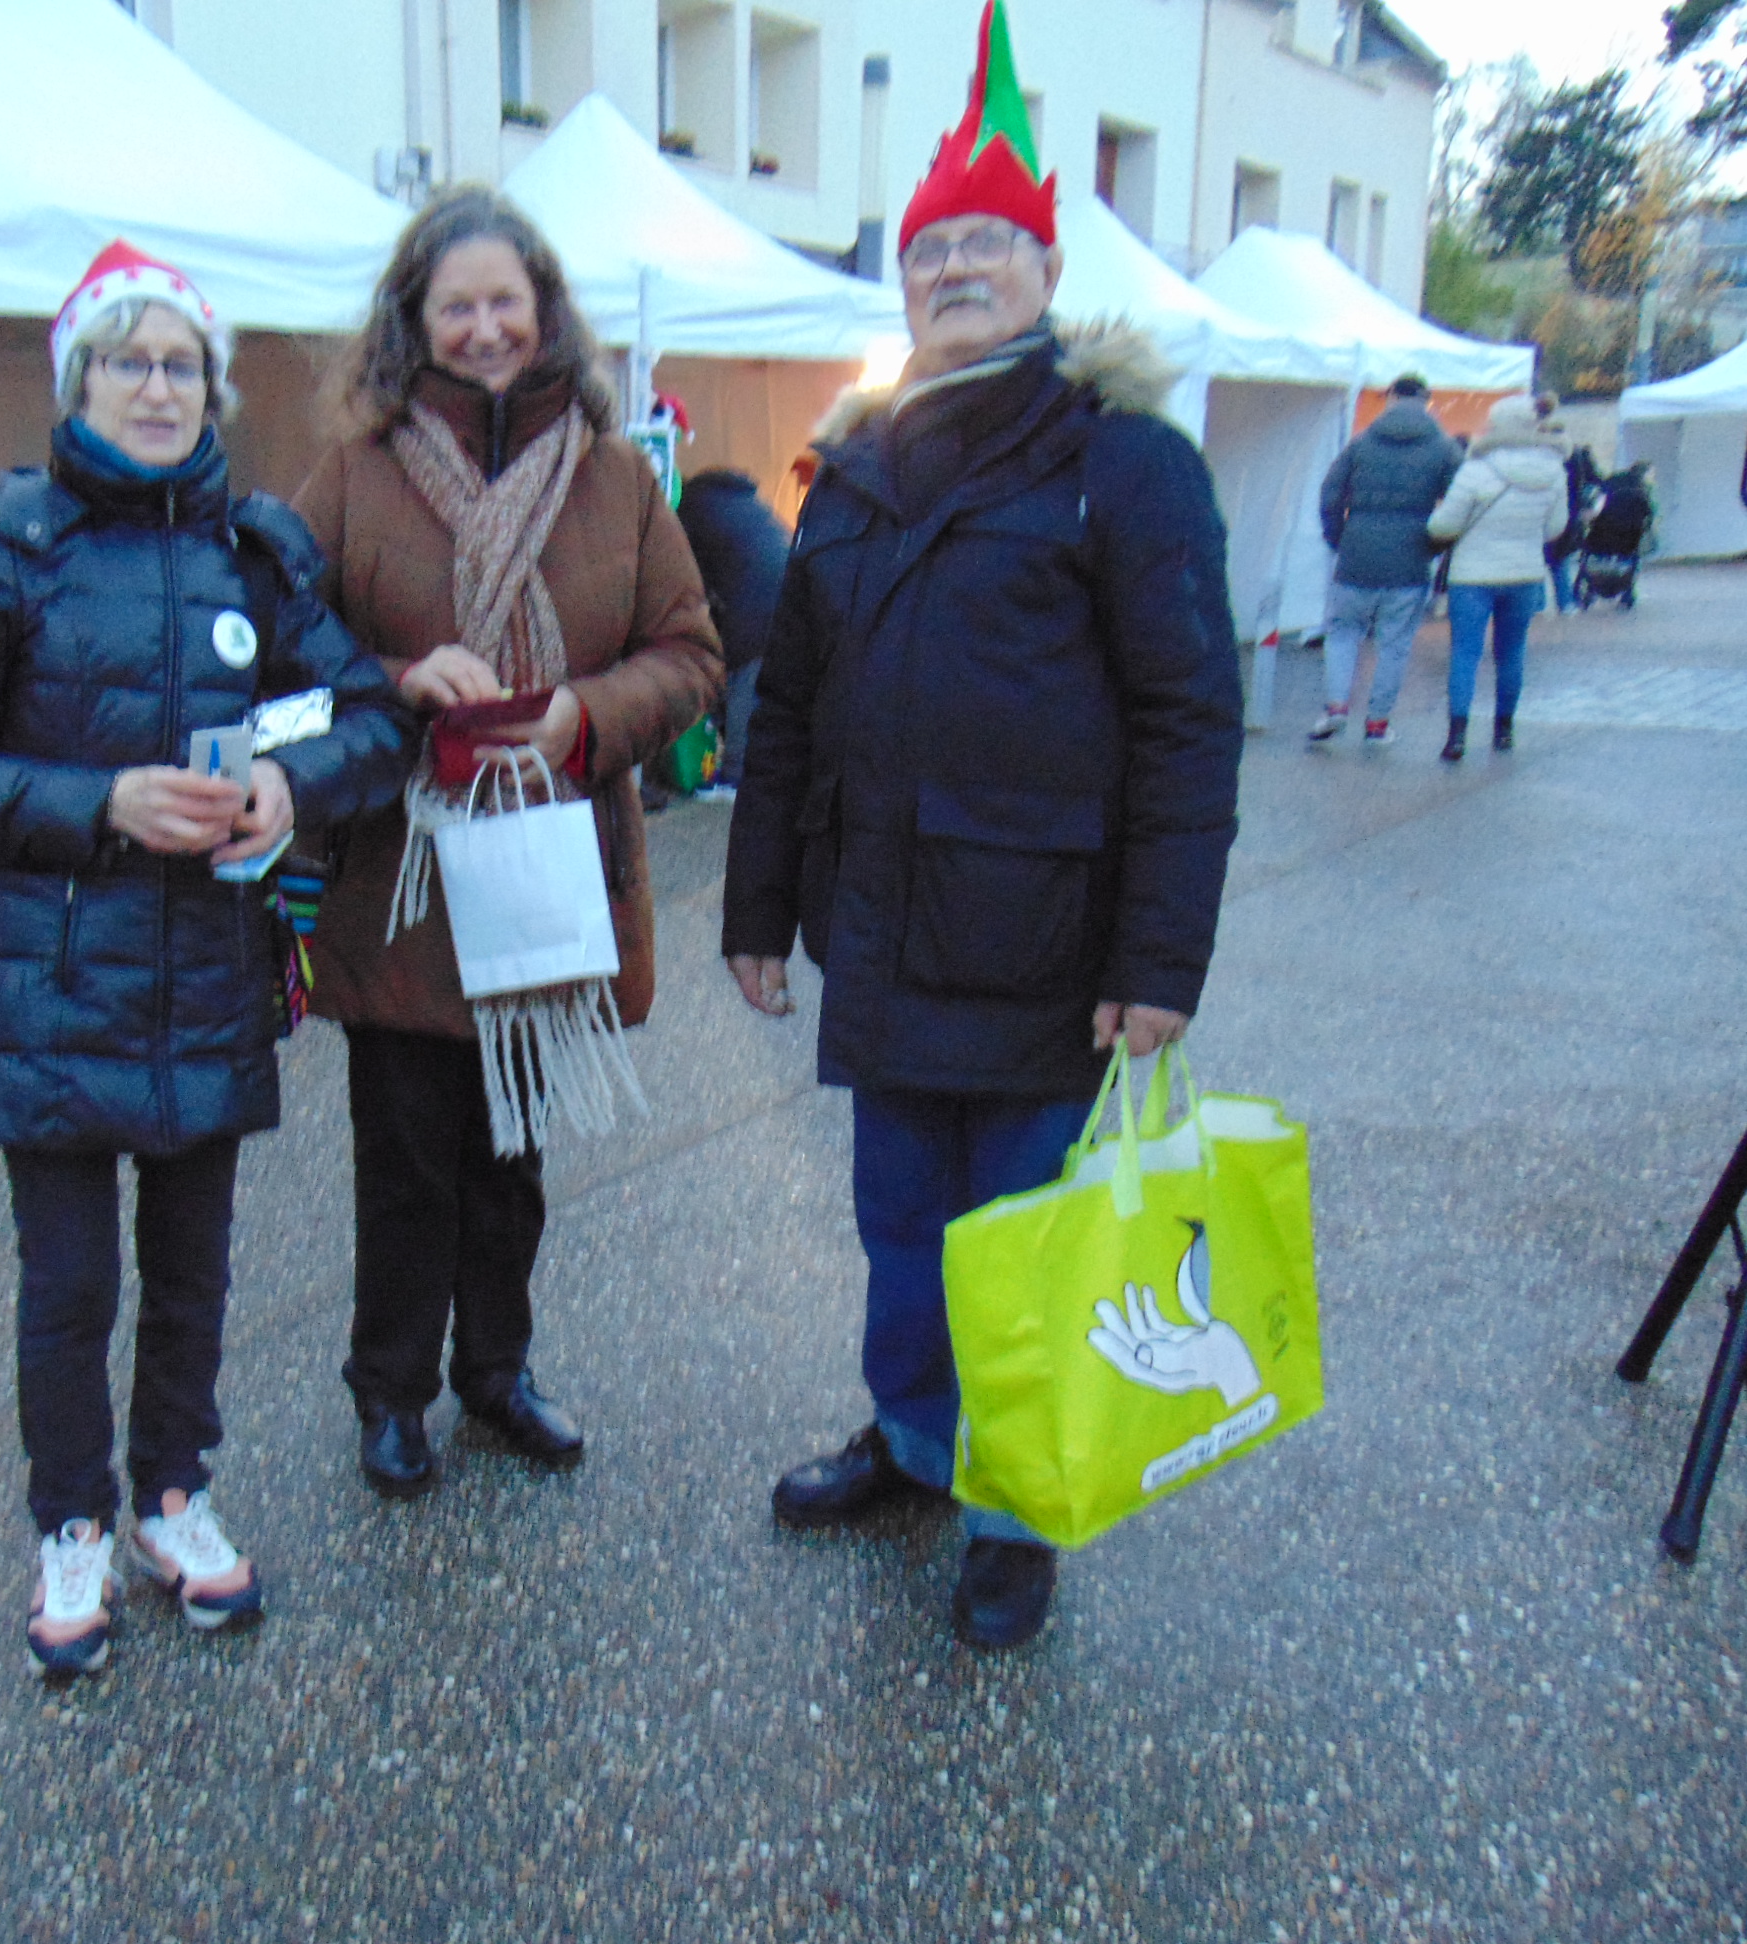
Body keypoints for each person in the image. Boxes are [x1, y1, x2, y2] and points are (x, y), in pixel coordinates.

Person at [719, 0, 1243, 1652]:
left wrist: (1159, 959)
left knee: (1020, 1243)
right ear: (903, 283)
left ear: (1043, 268)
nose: (953, 269)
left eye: (983, 246)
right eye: (929, 249)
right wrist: (754, 909)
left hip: (1042, 944)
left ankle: (1013, 1505)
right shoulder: (858, 467)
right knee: (898, 1227)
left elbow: (1187, 719)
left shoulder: (1122, 463)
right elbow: (786, 709)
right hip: (880, 932)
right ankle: (914, 1440)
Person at [0, 241, 414, 1677]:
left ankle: (172, 1495)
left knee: (193, 1277)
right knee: (68, 1288)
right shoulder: (8, 537)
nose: (158, 388)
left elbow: (373, 718)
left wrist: (289, 789)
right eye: (128, 361)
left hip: (206, 975)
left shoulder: (257, 547)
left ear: (211, 388)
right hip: (54, 983)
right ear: (80, 380)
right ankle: (72, 1520)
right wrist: (102, 803)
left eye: (181, 364)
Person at [292, 185, 723, 1499]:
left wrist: (586, 716)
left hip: (551, 869)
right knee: (404, 1161)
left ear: (545, 313)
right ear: (412, 320)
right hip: (404, 882)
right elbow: (284, 653)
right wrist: (393, 678)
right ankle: (390, 1389)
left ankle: (496, 1369)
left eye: (505, 302)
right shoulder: (354, 474)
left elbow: (691, 655)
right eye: (456, 306)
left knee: (512, 1161)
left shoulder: (615, 476)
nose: (484, 328)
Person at [1311, 373, 1461, 747]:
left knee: (1343, 633)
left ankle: (1335, 708)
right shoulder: (1444, 448)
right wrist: (1435, 545)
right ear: (1427, 401)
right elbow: (1458, 505)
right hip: (1410, 559)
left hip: (1356, 554)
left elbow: (1330, 494)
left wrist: (1339, 538)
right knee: (1394, 644)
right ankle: (1377, 724)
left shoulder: (1361, 443)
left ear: (1391, 398)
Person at [1426, 394, 1565, 761]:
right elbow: (1555, 528)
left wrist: (1434, 524)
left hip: (1472, 576)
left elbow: (1445, 525)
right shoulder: (1554, 471)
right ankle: (1504, 731)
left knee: (1465, 653)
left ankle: (1457, 736)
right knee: (1512, 652)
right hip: (1525, 574)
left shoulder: (1475, 470)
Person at [676, 468, 790, 801]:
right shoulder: (746, 501)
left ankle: (735, 775)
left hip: (754, 605)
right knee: (770, 693)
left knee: (744, 686)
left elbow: (690, 582)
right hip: (794, 594)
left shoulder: (691, 511)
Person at [1534, 392, 1600, 614]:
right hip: (1567, 510)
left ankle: (1537, 604)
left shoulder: (1533, 447)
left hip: (1538, 508)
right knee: (1560, 559)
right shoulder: (1575, 451)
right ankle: (1565, 603)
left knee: (1536, 558)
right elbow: (1590, 481)